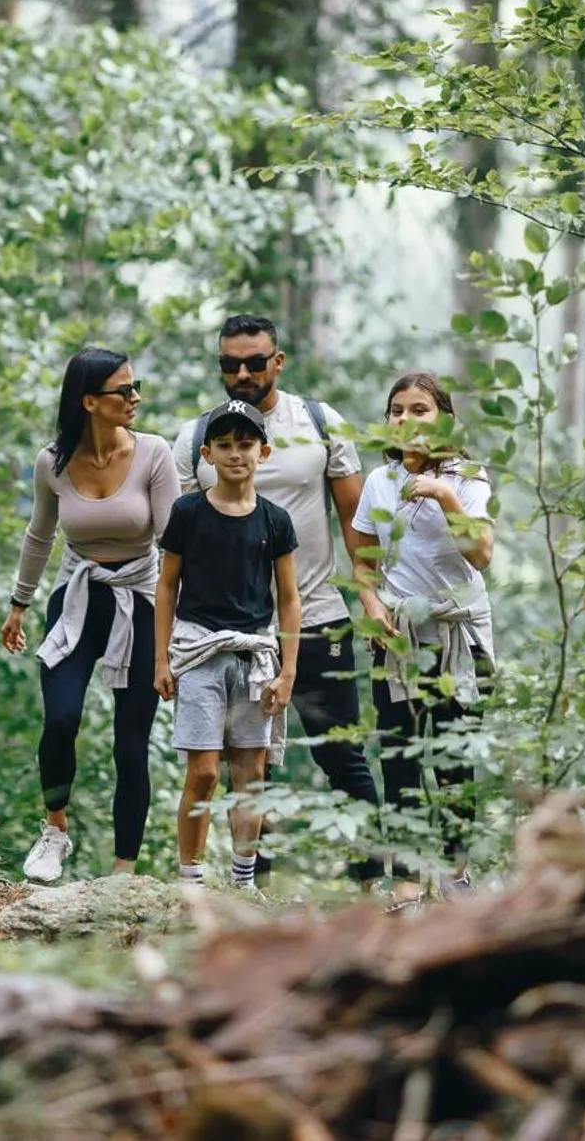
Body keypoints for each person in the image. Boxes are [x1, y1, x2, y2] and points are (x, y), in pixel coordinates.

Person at [172, 314, 382, 886]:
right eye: (230, 363)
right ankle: (253, 889)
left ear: (278, 362)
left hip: (315, 618)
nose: (242, 373)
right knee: (248, 764)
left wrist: (371, 598)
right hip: (227, 633)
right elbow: (182, 546)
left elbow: (355, 521)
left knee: (341, 752)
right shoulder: (196, 438)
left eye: (254, 362)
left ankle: (376, 883)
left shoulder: (320, 423)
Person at [2, 346, 177, 883]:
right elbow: (40, 535)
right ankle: (55, 831)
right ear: (89, 401)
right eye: (124, 390)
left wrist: (178, 631)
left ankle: (124, 869)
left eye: (135, 386)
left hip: (140, 599)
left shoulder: (153, 453)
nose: (135, 397)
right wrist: (19, 604)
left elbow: (174, 547)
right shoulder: (52, 461)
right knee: (60, 718)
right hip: (78, 596)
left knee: (131, 741)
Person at [350, 371, 496, 895]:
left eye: (419, 409)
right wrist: (371, 606)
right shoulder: (379, 481)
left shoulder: (468, 478)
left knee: (455, 762)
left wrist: (443, 495)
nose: (406, 419)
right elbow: (363, 560)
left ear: (445, 420)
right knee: (400, 759)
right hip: (398, 637)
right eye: (397, 410)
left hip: (459, 635)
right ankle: (409, 885)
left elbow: (481, 554)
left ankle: (456, 877)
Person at [154, 400, 301, 890]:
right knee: (203, 773)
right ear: (207, 454)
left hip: (254, 655)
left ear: (264, 452)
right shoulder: (188, 512)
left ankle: (243, 882)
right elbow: (166, 585)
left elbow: (289, 597)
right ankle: (190, 880)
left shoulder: (275, 520)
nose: (235, 454)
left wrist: (288, 671)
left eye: (245, 444)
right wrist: (161, 660)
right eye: (224, 445)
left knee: (250, 775)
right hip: (199, 652)